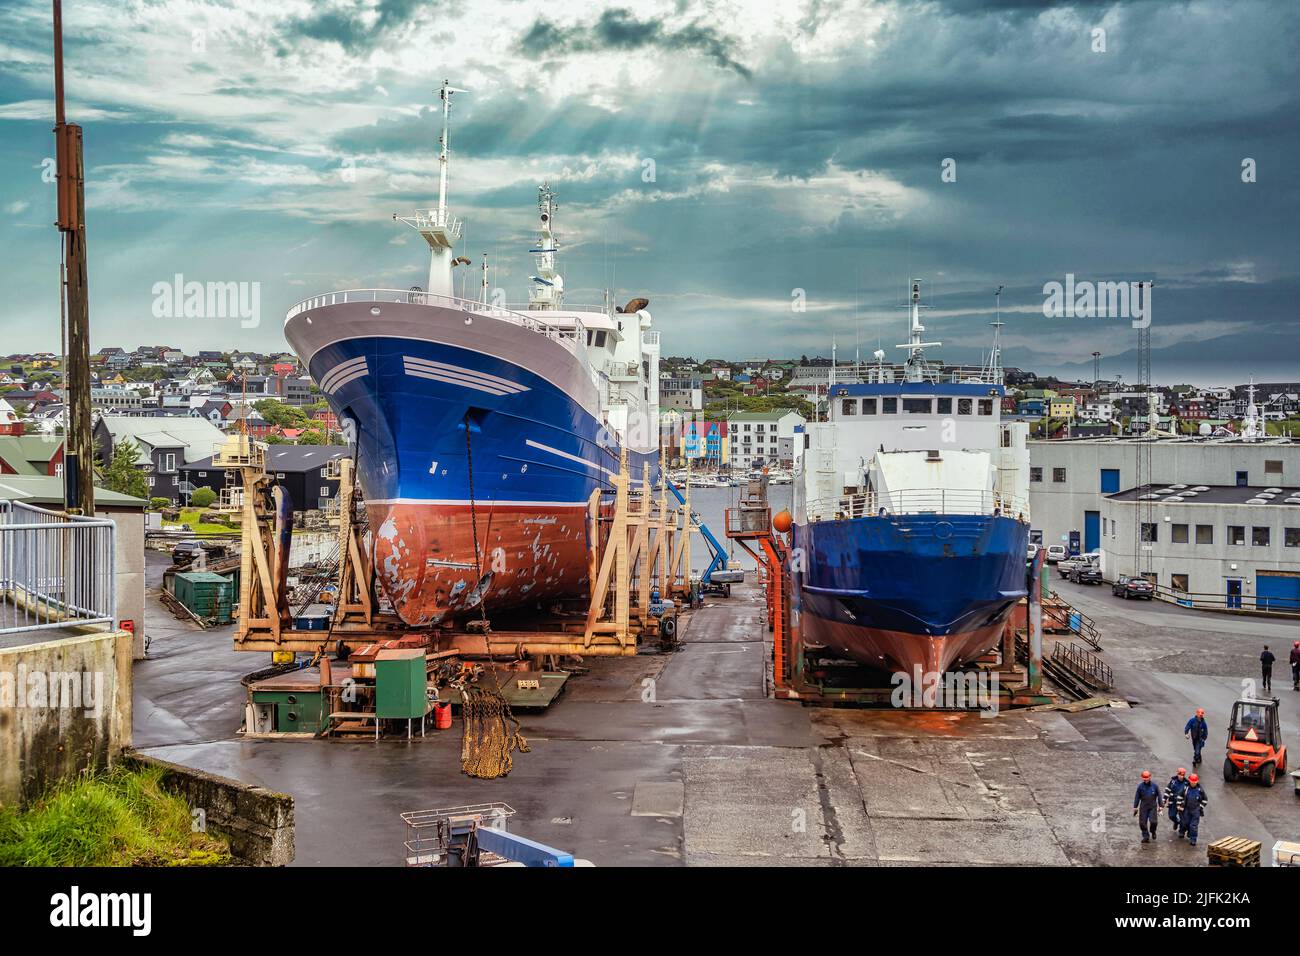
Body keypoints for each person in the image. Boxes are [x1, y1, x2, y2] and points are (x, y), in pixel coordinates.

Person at [1178, 773, 1209, 847]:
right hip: (1186, 809)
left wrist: (1200, 807)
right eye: (1192, 782)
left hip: (1195, 811)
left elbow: (1205, 800)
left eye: (1194, 782)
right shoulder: (1186, 788)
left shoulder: (1200, 790)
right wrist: (1179, 805)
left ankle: (1193, 839)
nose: (1193, 784)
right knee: (1185, 822)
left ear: (1197, 782)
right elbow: (1179, 796)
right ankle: (1183, 831)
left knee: (1193, 826)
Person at [1132, 770, 1162, 844]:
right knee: (1142, 823)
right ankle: (1146, 836)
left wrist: (1160, 805)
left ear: (1150, 777)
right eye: (1144, 778)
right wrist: (1135, 807)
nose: (1146, 779)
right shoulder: (1140, 787)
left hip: (1153, 807)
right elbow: (1137, 797)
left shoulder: (1155, 786)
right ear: (1142, 778)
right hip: (1143, 807)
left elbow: (1159, 795)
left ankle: (1153, 831)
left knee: (1153, 822)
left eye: (1147, 778)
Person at [1163, 768, 1188, 838]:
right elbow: (1167, 790)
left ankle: (1181, 831)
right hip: (1173, 802)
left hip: (1181, 804)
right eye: (1180, 775)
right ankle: (1176, 822)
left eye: (1183, 775)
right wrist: (1164, 800)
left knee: (1183, 818)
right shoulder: (1173, 781)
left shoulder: (1186, 783)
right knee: (1171, 815)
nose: (1181, 776)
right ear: (1177, 774)